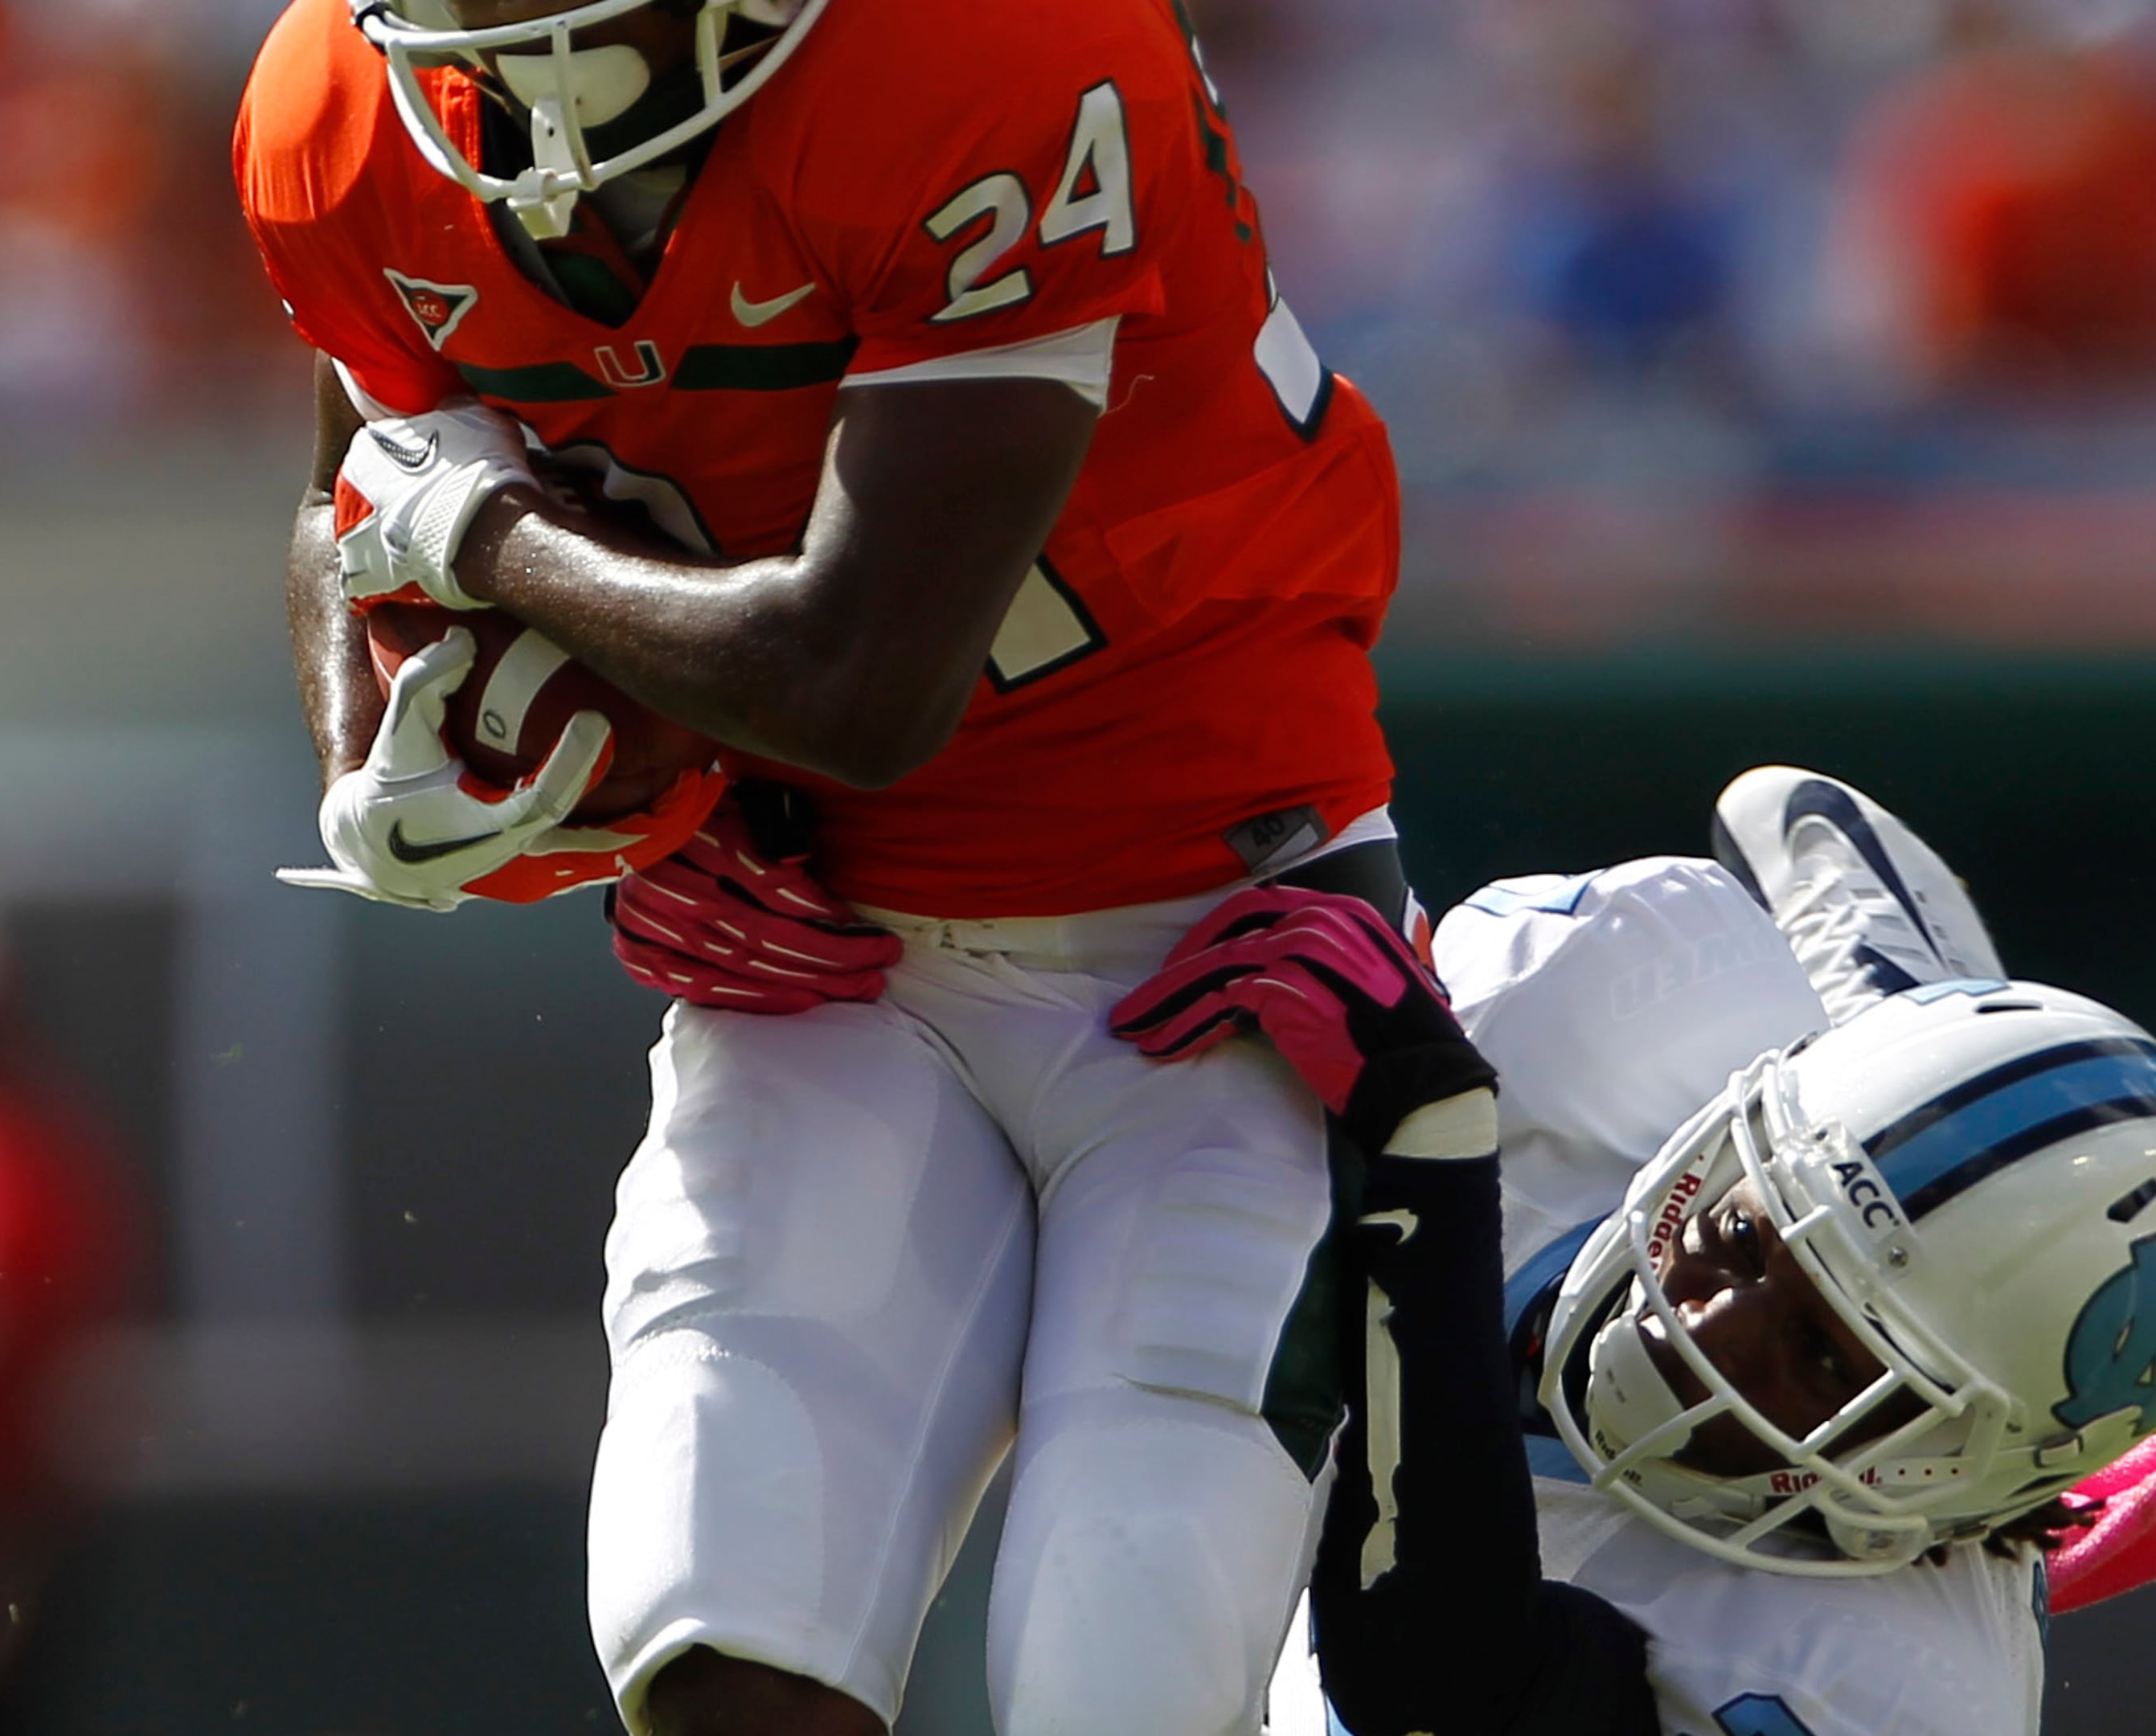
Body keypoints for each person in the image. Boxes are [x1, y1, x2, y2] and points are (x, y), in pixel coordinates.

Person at [230, 1, 1408, 1732]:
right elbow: (365, 484)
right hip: (823, 950)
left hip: (1207, 926)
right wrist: (372, 768)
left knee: (1126, 1671)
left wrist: (495, 536)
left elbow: (857, 683)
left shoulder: (977, 49)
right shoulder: (337, 105)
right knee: (720, 1641)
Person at [1115, 767, 2156, 1736]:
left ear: (1949, 1472)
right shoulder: (1619, 998)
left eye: (1826, 1358)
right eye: (1742, 1238)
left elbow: (1433, 1688)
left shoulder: (1877, 1687)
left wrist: (1432, 1160)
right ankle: (1887, 1023)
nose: (1707, 1324)